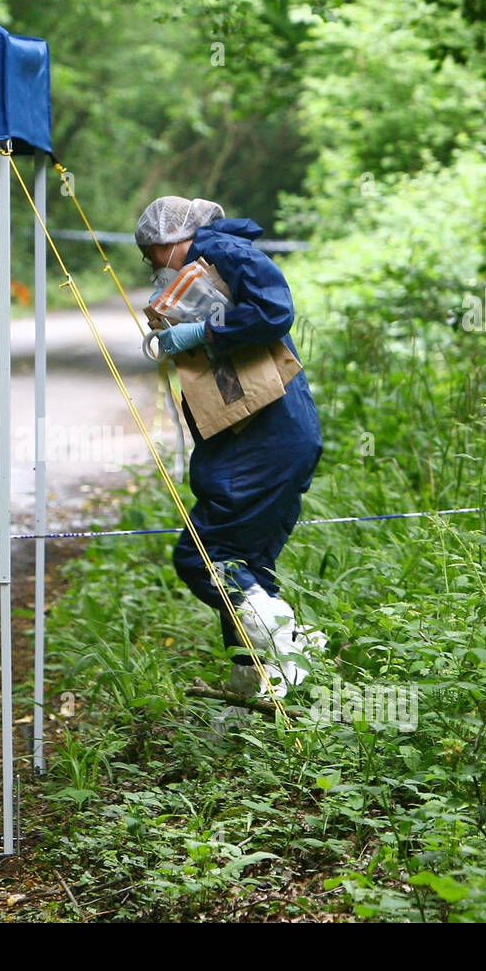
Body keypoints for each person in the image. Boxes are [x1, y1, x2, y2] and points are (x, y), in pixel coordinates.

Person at [136, 195, 324, 698]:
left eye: (153, 255)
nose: (153, 267)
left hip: (267, 439)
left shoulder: (220, 251)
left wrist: (206, 330)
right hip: (274, 437)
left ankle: (287, 635)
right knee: (245, 566)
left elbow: (273, 311)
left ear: (171, 242)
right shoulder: (208, 259)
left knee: (204, 558)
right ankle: (253, 685)